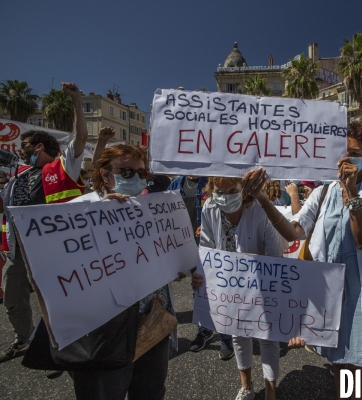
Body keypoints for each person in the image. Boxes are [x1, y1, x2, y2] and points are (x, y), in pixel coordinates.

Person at [245, 121, 362, 400]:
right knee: (339, 360)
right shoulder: (323, 192)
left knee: (360, 365)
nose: (345, 160)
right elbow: (293, 231)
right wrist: (262, 199)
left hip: (361, 289)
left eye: (354, 153)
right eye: (342, 152)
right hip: (329, 290)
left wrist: (351, 193)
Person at [68, 144, 184, 400]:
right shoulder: (79, 209)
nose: (136, 177)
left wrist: (176, 269)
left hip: (153, 320)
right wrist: (96, 217)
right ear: (106, 173)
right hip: (105, 331)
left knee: (151, 391)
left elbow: (164, 254)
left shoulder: (152, 208)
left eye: (141, 173)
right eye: (126, 171)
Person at [0, 82, 87, 363]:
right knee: (13, 299)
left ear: (39, 146)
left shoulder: (63, 167)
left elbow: (81, 137)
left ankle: (61, 348)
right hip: (18, 251)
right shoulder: (16, 180)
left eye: (25, 146)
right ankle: (23, 339)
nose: (21, 151)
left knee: (56, 303)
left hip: (54, 251)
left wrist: (76, 101)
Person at [191, 175, 289, 400]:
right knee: (237, 335)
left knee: (268, 338)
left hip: (261, 286)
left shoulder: (260, 209)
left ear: (243, 190)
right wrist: (200, 275)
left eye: (232, 190)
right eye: (219, 192)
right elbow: (206, 246)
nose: (224, 198)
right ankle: (246, 387)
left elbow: (275, 253)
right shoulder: (210, 207)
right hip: (229, 287)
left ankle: (270, 391)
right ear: (211, 190)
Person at [168, 175, 234, 359]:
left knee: (219, 292)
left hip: (207, 246)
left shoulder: (209, 182)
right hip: (184, 246)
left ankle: (225, 336)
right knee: (198, 291)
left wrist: (205, 229)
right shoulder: (176, 184)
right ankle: (203, 330)